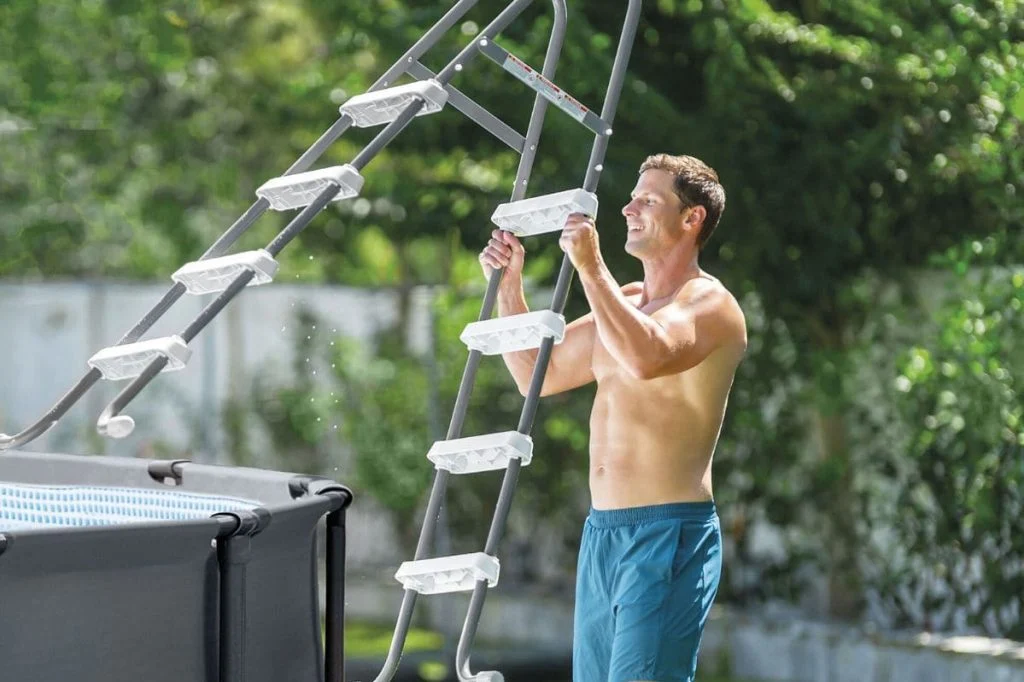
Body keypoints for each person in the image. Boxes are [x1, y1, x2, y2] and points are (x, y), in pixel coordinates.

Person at [478, 153, 747, 682]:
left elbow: (647, 358)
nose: (628, 208)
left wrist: (590, 265)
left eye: (649, 199)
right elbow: (539, 374)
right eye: (632, 196)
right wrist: (510, 286)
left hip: (668, 532)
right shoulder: (624, 302)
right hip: (603, 533)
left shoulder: (712, 306)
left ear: (692, 218)